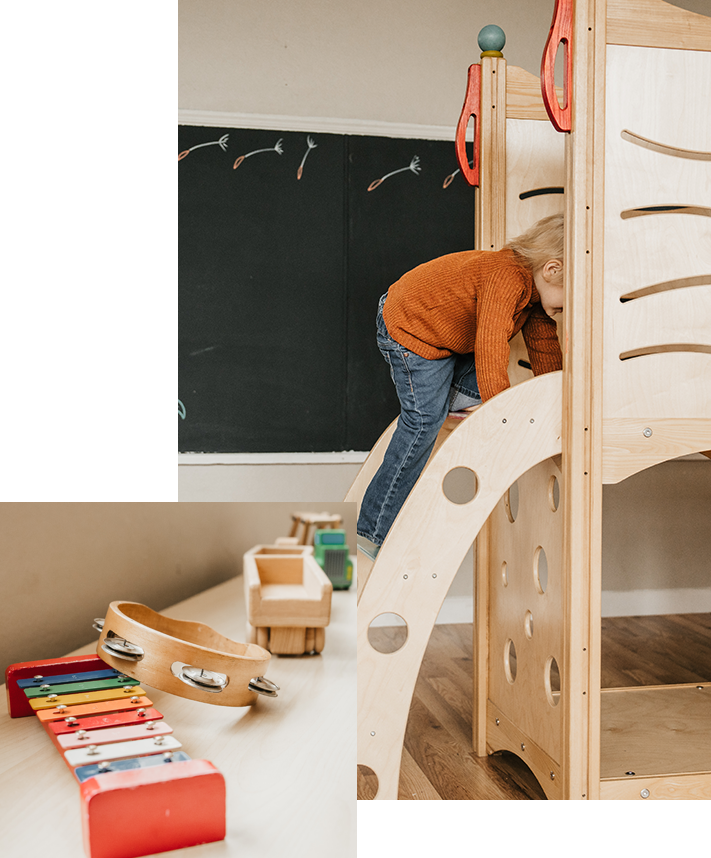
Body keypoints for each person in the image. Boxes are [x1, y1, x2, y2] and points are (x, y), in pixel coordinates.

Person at [357, 213, 564, 559]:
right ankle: (372, 531)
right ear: (552, 270)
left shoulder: (534, 301)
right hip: (411, 330)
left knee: (486, 385)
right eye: (566, 298)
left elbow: (545, 349)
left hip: (448, 345)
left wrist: (560, 401)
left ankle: (443, 403)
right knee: (423, 422)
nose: (564, 309)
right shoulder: (506, 276)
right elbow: (490, 345)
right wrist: (501, 418)